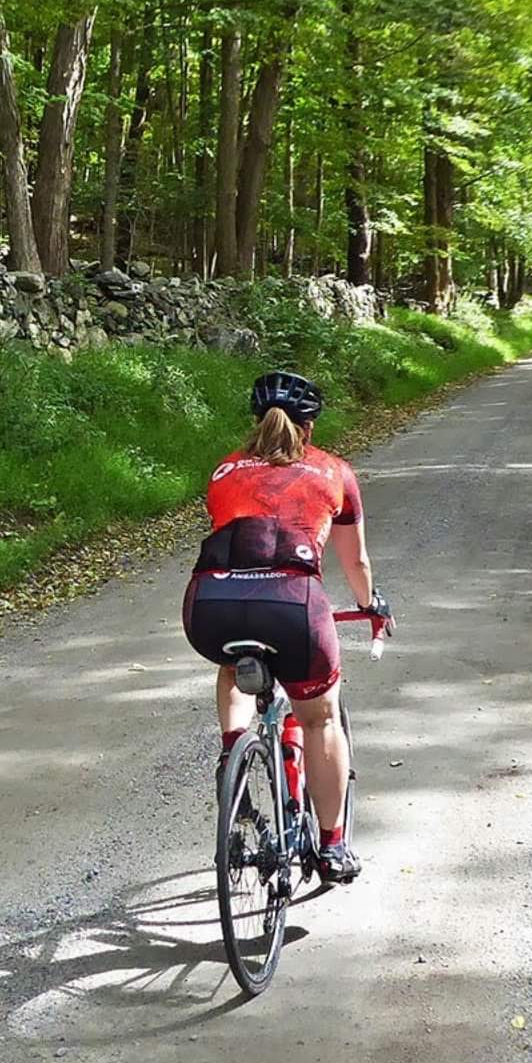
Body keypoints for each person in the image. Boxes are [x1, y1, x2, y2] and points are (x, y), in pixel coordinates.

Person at [181, 370, 392, 883]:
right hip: (292, 608)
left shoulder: (224, 470)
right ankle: (331, 847)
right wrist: (371, 605)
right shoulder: (334, 472)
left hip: (209, 605)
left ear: (256, 422)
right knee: (320, 719)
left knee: (233, 661)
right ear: (310, 426)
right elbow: (356, 563)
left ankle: (234, 750)